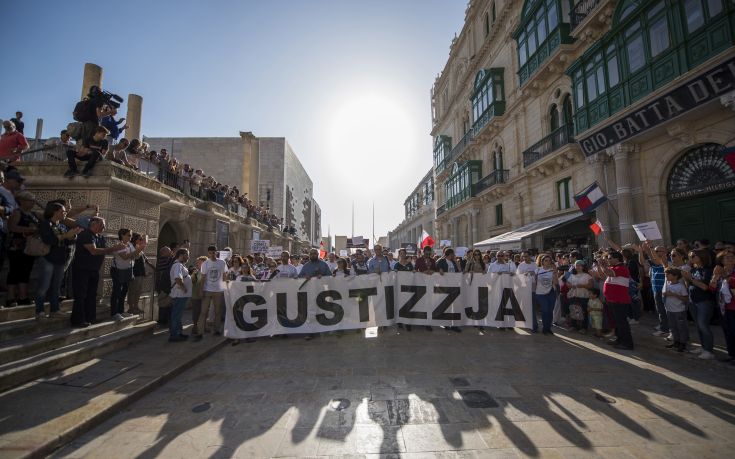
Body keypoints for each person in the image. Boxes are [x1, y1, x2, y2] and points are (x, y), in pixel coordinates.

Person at [71, 217, 125, 327]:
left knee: (91, 295)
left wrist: (113, 249)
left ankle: (90, 317)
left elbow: (102, 251)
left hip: (94, 270)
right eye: (102, 225)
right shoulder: (86, 234)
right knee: (81, 295)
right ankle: (78, 320)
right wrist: (113, 248)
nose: (104, 227)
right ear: (93, 224)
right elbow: (94, 251)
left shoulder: (100, 237)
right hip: (82, 269)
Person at [34, 202, 81, 320]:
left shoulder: (61, 225)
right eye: (63, 211)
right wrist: (65, 236)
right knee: (43, 286)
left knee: (56, 287)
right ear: (54, 212)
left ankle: (55, 310)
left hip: (60, 260)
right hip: (47, 258)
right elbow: (49, 240)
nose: (65, 213)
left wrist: (73, 236)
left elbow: (66, 242)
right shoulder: (46, 224)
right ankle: (39, 312)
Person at [6, 191, 40, 307]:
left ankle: (23, 296)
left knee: (25, 271)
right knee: (14, 271)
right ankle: (10, 297)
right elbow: (12, 227)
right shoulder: (17, 213)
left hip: (29, 248)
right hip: (17, 247)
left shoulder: (33, 214)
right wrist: (28, 230)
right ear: (22, 201)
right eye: (30, 200)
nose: (33, 202)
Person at [682, 249, 716, 359]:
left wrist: (690, 279)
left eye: (693, 256)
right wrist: (687, 279)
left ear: (701, 257)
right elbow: (689, 284)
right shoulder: (693, 269)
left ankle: (709, 350)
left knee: (703, 325)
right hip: (693, 300)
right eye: (690, 256)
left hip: (704, 301)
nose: (690, 259)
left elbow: (705, 287)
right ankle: (703, 346)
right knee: (698, 325)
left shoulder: (708, 270)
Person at [599, 251, 634, 351]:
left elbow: (608, 273)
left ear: (617, 259)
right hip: (612, 300)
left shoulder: (621, 268)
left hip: (619, 300)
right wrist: (600, 265)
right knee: (616, 322)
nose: (608, 260)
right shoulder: (613, 268)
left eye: (610, 258)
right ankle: (619, 339)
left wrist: (602, 265)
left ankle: (627, 343)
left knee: (622, 323)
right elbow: (602, 275)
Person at [110, 228, 146, 320]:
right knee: (117, 292)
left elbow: (137, 256)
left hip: (127, 270)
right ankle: (114, 313)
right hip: (118, 270)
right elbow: (125, 257)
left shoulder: (129, 244)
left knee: (124, 292)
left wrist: (139, 249)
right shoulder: (119, 245)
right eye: (129, 235)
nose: (130, 237)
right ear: (122, 235)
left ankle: (121, 311)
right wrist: (137, 251)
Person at [193, 245, 228, 340]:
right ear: (208, 253)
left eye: (214, 252)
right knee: (203, 311)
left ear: (216, 252)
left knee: (217, 311)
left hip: (218, 290)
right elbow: (203, 278)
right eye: (210, 253)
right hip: (207, 290)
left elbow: (225, 276)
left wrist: (225, 288)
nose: (212, 254)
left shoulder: (222, 262)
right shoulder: (205, 264)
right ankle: (200, 331)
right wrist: (201, 290)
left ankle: (217, 329)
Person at [712, 251, 735, 363]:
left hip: (733, 307)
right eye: (727, 258)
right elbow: (712, 288)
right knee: (728, 331)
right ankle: (731, 354)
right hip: (723, 307)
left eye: (732, 257)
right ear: (721, 261)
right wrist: (715, 277)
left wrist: (726, 277)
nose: (731, 260)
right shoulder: (719, 273)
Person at [663, 267, 690, 353]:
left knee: (681, 327)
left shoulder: (681, 286)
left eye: (668, 274)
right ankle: (676, 342)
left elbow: (686, 299)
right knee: (673, 327)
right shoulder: (667, 284)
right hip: (669, 310)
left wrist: (674, 295)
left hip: (679, 311)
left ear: (675, 276)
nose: (666, 276)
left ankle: (683, 343)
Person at [127, 233, 154, 315]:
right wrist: (143, 243)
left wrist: (155, 269)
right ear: (135, 240)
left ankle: (136, 306)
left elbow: (146, 261)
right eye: (139, 239)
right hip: (135, 273)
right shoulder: (132, 248)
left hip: (141, 274)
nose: (141, 241)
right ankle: (131, 308)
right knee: (133, 291)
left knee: (138, 291)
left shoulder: (140, 250)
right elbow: (136, 257)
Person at [168, 248, 191, 342]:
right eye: (187, 255)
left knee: (178, 315)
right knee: (176, 315)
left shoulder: (180, 265)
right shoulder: (177, 265)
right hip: (179, 294)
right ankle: (174, 334)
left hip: (181, 295)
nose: (188, 257)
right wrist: (184, 288)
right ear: (182, 254)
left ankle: (179, 332)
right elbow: (177, 278)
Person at [414, 245, 436, 331]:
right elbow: (416, 270)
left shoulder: (433, 260)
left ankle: (428, 323)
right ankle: (421, 320)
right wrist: (423, 272)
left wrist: (432, 271)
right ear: (424, 252)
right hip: (421, 284)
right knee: (422, 303)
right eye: (426, 252)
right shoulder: (419, 260)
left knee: (429, 303)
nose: (428, 254)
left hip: (430, 284)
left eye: (429, 252)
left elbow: (436, 270)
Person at [567, 261, 593, 332]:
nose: (578, 267)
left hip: (583, 296)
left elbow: (591, 286)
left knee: (583, 312)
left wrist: (582, 286)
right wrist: (571, 285)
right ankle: (573, 325)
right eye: (576, 265)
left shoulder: (587, 276)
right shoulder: (572, 275)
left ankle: (583, 327)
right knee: (573, 310)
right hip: (573, 295)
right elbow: (568, 284)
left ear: (583, 267)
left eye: (579, 265)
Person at [535, 254, 559, 335]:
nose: (548, 262)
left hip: (551, 292)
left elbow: (556, 282)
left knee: (550, 311)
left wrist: (555, 273)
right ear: (542, 262)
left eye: (549, 261)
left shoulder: (552, 270)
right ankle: (545, 328)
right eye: (546, 260)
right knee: (545, 310)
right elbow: (533, 281)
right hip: (540, 293)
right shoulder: (537, 270)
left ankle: (548, 328)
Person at [189, 256, 207, 335]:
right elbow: (191, 282)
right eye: (197, 263)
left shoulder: (207, 272)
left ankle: (203, 326)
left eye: (199, 263)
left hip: (205, 295)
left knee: (204, 312)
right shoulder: (195, 273)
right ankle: (195, 326)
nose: (197, 264)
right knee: (196, 312)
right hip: (195, 296)